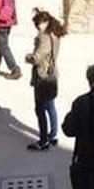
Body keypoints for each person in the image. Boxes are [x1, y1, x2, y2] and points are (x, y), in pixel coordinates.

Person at [25, 9, 67, 151]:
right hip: (53, 73)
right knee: (50, 106)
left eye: (39, 24)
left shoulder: (44, 37)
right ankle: (53, 135)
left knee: (40, 109)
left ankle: (43, 141)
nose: (37, 27)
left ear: (46, 22)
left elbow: (37, 57)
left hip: (43, 75)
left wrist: (28, 57)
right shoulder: (56, 33)